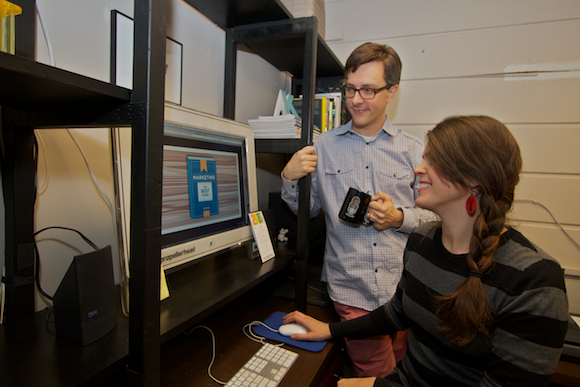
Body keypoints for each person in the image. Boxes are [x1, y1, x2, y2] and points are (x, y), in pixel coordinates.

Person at [282, 115, 569, 387]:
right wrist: (329, 331)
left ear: (473, 178)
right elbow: (396, 314)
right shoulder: (421, 242)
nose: (418, 168)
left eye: (433, 161)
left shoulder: (535, 281)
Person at [281, 42, 437, 377]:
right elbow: (306, 212)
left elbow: (437, 218)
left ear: (391, 91)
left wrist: (399, 218)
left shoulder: (413, 150)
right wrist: (289, 178)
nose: (355, 100)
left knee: (403, 370)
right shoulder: (323, 146)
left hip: (404, 290)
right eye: (350, 89)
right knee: (376, 375)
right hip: (351, 289)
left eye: (368, 90)